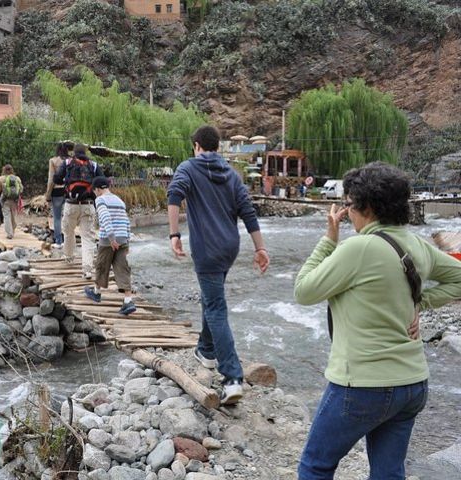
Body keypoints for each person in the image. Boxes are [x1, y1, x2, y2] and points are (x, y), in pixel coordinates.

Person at [294, 162, 461, 480]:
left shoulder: (358, 247)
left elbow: (304, 290)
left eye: (348, 205)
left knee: (315, 465)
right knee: (388, 473)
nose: (347, 212)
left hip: (361, 386)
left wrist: (329, 239)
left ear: (366, 207)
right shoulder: (418, 245)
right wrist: (420, 302)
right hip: (412, 385)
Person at [167, 125, 270, 405]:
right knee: (211, 297)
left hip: (207, 249)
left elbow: (174, 196)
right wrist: (260, 247)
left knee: (215, 306)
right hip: (229, 247)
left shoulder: (188, 168)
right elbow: (248, 211)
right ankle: (206, 350)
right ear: (217, 146)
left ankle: (232, 376)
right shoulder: (232, 174)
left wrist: (174, 234)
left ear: (197, 145)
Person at [84, 176, 136, 315]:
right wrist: (127, 240)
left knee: (102, 265)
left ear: (98, 189)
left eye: (94, 190)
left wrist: (112, 238)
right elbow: (126, 221)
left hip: (108, 239)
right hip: (123, 238)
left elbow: (105, 218)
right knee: (123, 268)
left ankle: (96, 292)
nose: (94, 193)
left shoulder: (100, 200)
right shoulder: (119, 200)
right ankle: (128, 300)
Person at [54, 143, 101, 279]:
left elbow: (56, 178)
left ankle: (69, 257)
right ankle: (87, 270)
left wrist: (66, 181)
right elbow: (102, 180)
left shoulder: (67, 162)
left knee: (68, 232)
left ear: (74, 152)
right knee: (87, 238)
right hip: (88, 205)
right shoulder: (94, 165)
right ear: (86, 152)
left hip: (71, 204)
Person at [46, 142, 71, 249]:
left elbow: (51, 179)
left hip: (57, 191)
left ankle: (59, 241)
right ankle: (68, 240)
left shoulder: (53, 161)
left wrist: (48, 194)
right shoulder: (71, 160)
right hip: (69, 191)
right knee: (68, 216)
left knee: (57, 217)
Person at [0, 164, 23, 239]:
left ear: (4, 170)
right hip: (15, 200)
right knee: (13, 215)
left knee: (7, 216)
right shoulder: (17, 178)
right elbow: (21, 189)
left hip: (5, 200)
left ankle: (9, 234)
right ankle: (13, 230)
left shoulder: (1, 178)